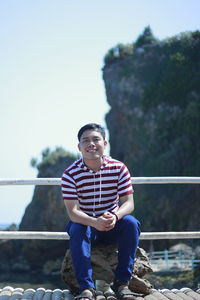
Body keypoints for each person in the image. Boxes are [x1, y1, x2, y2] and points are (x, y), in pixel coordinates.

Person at [61, 123, 140, 300]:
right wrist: (94, 222)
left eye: (96, 139)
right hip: (86, 225)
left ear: (105, 143)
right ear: (79, 147)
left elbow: (129, 203)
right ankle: (86, 288)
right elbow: (73, 212)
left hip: (112, 222)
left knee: (131, 223)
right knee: (77, 228)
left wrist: (115, 216)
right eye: (85, 141)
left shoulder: (119, 168)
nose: (91, 144)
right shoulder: (70, 174)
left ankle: (122, 283)